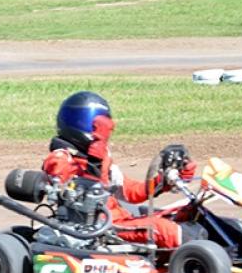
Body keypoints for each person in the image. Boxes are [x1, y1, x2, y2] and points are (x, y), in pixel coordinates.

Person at [41, 91, 200, 248]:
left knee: (190, 215)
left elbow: (130, 192)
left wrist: (163, 181)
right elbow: (82, 192)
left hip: (120, 219)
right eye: (95, 125)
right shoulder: (59, 159)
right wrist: (95, 157)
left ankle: (208, 255)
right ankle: (201, 263)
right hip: (97, 228)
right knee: (168, 231)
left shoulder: (102, 157)